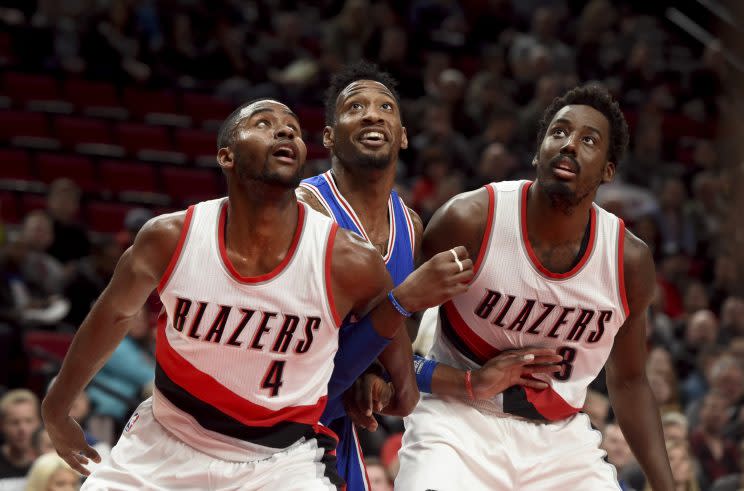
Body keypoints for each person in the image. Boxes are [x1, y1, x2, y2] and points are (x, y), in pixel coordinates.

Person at [40, 98, 468, 490]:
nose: (285, 132)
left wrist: (375, 385)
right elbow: (111, 317)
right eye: (265, 124)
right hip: (164, 444)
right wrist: (56, 408)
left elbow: (403, 391)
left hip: (280, 462)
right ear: (226, 156)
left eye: (294, 129)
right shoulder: (170, 237)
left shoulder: (348, 261)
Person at [395, 85, 675, 490]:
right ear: (537, 151)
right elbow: (395, 340)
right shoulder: (470, 220)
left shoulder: (628, 262)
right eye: (558, 133)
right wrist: (461, 382)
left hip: (562, 441)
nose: (569, 145)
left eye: (588, 140)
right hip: (457, 424)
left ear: (608, 171)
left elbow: (630, 382)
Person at [297, 62, 554, 490]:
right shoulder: (304, 210)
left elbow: (395, 353)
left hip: (334, 431)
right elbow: (295, 352)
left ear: (402, 134)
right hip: (275, 426)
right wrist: (399, 307)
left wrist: (467, 382)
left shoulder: (413, 226)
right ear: (328, 137)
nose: (372, 114)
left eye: (385, 107)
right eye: (355, 106)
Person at [0, 389, 41, 491]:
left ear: (39, 422)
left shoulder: (50, 459)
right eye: (14, 422)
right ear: (2, 425)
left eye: (29, 421)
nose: (22, 429)